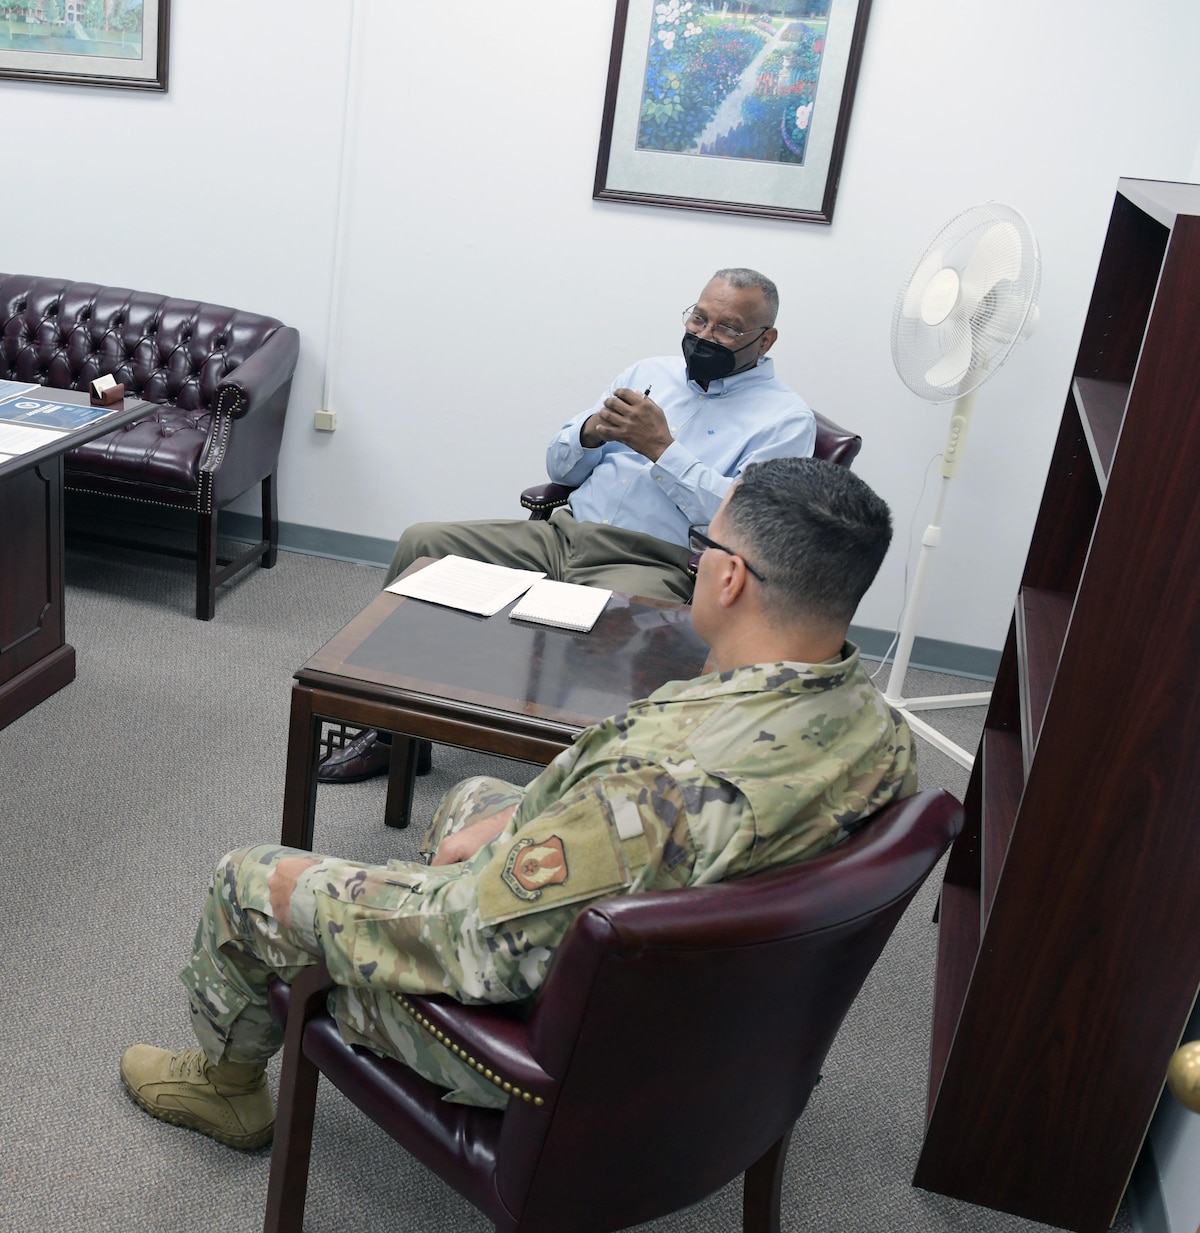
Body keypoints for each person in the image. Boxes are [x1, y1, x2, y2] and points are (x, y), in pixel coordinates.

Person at [122, 457, 914, 1150]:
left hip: (564, 1050)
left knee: (249, 879)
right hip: (721, 1020)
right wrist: (514, 826)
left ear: (731, 575)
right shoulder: (877, 732)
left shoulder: (667, 788)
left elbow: (476, 942)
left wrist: (361, 903)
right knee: (475, 798)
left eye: (705, 545)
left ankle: (228, 1090)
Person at [322, 267, 819, 783]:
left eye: (727, 328)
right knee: (424, 543)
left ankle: (595, 776)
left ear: (766, 339)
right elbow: (559, 470)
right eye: (699, 317)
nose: (704, 335)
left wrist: (661, 449)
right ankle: (395, 731)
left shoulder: (784, 420)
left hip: (651, 559)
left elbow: (745, 525)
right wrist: (586, 433)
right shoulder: (650, 371)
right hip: (561, 532)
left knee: (597, 624)